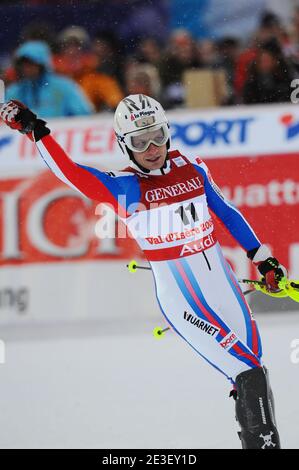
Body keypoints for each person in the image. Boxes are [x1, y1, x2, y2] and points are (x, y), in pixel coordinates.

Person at [0, 95, 286, 449]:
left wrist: (262, 257)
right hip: (184, 302)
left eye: (158, 136)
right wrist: (35, 131)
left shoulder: (191, 165)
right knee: (248, 372)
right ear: (125, 145)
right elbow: (71, 173)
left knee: (252, 370)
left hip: (223, 285)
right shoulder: (124, 186)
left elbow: (226, 212)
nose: (152, 148)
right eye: (139, 141)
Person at [6, 40, 93, 118]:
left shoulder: (64, 87)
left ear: (42, 64)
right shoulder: (14, 91)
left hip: (59, 134)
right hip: (25, 135)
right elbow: (4, 118)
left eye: (31, 64)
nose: (26, 68)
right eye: (23, 64)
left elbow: (84, 114)